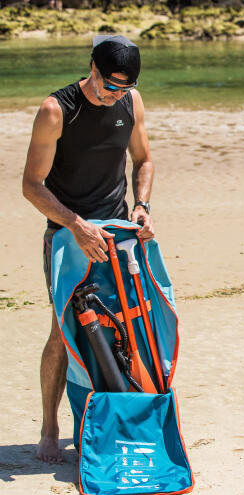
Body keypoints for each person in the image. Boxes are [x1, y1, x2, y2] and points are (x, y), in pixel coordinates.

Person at [22, 35, 155, 462]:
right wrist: (76, 226)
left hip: (117, 232)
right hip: (67, 232)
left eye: (123, 87)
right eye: (108, 85)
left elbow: (144, 160)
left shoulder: (130, 102)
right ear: (92, 69)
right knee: (63, 332)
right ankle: (49, 428)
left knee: (125, 326)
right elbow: (31, 185)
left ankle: (110, 417)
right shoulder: (56, 110)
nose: (114, 94)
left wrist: (142, 206)